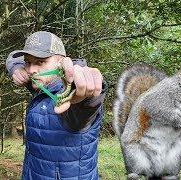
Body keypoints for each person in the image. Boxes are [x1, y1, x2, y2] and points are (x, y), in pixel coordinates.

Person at [6, 31, 106, 180]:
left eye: (41, 62)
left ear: (61, 63)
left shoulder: (67, 98)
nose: (32, 70)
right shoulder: (41, 86)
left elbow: (85, 105)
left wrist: (86, 93)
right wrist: (16, 69)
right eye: (28, 62)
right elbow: (13, 56)